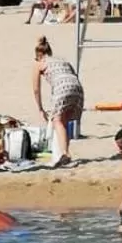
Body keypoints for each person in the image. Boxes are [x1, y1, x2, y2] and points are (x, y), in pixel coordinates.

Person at [32, 37, 84, 165]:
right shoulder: (62, 60)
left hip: (62, 88)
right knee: (64, 122)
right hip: (77, 88)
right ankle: (64, 153)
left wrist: (40, 109)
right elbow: (73, 76)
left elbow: (36, 89)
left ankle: (65, 153)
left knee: (57, 120)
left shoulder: (39, 63)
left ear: (38, 55)